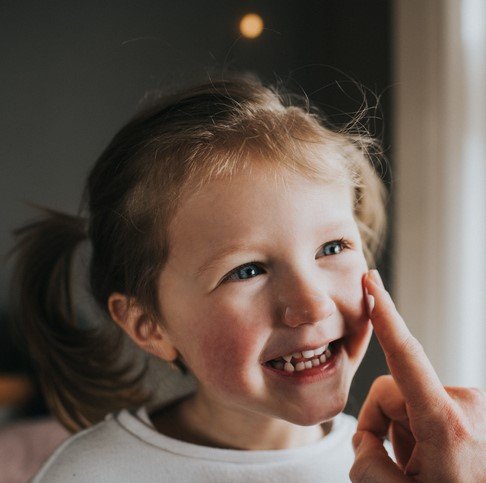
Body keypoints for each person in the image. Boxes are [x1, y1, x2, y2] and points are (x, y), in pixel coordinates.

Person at [10, 75, 484, 482]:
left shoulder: (414, 463)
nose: (312, 305)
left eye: (332, 248)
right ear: (149, 325)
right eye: (248, 270)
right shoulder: (91, 475)